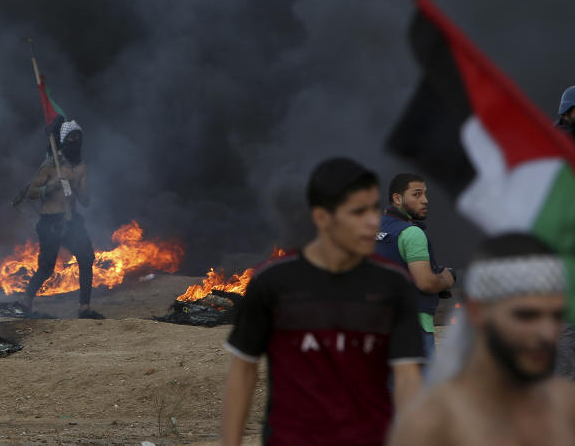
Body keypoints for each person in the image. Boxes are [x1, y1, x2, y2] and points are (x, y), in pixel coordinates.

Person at [221, 158, 424, 446]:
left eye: (373, 209)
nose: (372, 222)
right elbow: (243, 369)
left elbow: (407, 378)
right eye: (357, 212)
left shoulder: (393, 285)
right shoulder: (272, 283)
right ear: (322, 218)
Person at [388, 233, 575, 445]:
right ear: (477, 312)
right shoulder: (433, 421)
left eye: (557, 316)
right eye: (526, 316)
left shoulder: (565, 403)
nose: (547, 333)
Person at [22, 120, 101, 319]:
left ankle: (84, 308)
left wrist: (75, 187)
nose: (75, 141)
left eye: (78, 137)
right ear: (63, 141)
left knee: (86, 258)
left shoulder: (80, 167)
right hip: (51, 222)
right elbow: (31, 192)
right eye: (70, 138)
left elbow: (86, 201)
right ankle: (25, 302)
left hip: (71, 221)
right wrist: (53, 185)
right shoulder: (50, 165)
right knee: (47, 267)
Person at [375, 173, 456, 361]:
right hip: (413, 329)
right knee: (418, 390)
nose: (425, 200)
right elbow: (426, 283)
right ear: (397, 198)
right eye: (417, 194)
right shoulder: (411, 233)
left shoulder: (372, 228)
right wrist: (446, 279)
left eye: (425, 194)